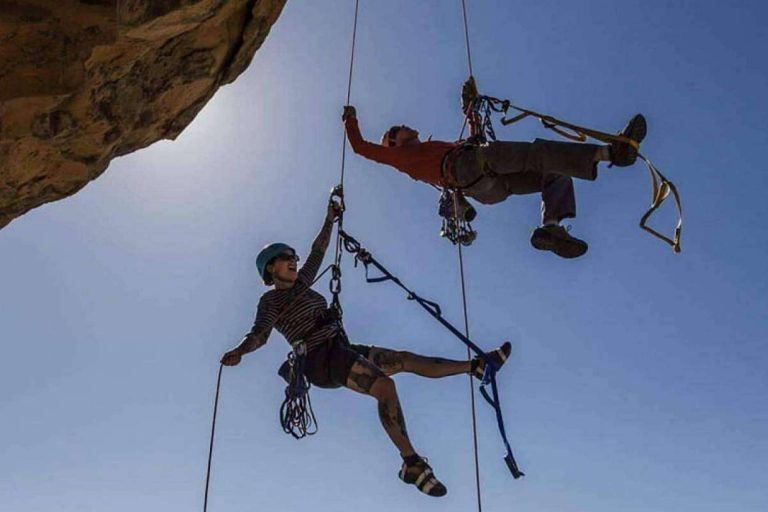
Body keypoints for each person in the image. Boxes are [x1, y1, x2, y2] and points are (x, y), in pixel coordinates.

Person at [220, 198, 512, 497]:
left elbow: (318, 251)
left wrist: (329, 219)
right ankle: (411, 463)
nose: (294, 260)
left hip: (340, 347)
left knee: (403, 359)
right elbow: (259, 334)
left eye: (293, 255)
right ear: (270, 269)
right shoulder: (270, 301)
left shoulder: (302, 284)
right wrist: (239, 352)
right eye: (286, 257)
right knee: (385, 387)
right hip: (320, 360)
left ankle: (476, 367)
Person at [342, 93, 647, 259]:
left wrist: (469, 108)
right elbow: (360, 148)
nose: (404, 125)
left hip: (485, 188)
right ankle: (611, 154)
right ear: (395, 143)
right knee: (537, 154)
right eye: (398, 130)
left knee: (554, 170)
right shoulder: (402, 157)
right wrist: (351, 119)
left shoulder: (431, 150)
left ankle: (551, 228)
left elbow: (475, 137)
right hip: (470, 167)